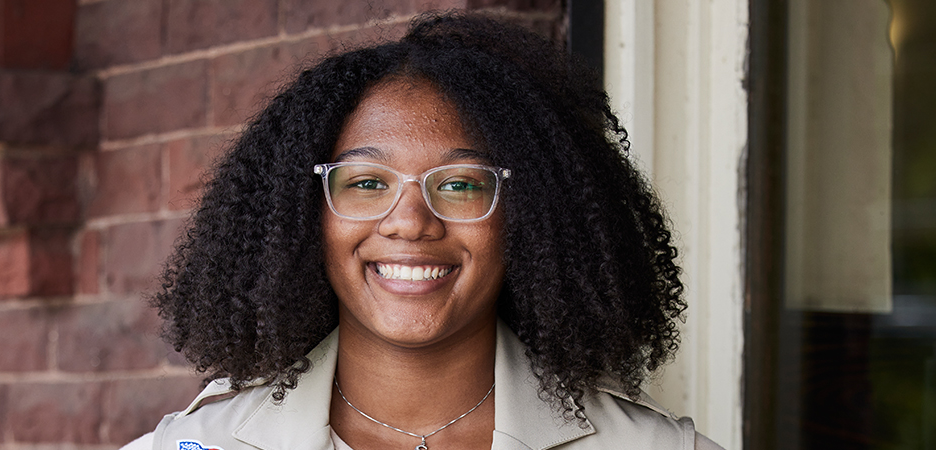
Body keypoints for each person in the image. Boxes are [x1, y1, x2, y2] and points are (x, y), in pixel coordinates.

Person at [123, 12, 723, 450]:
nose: (410, 222)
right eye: (365, 183)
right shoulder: (203, 444)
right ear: (304, 218)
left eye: (461, 184)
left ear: (533, 216)